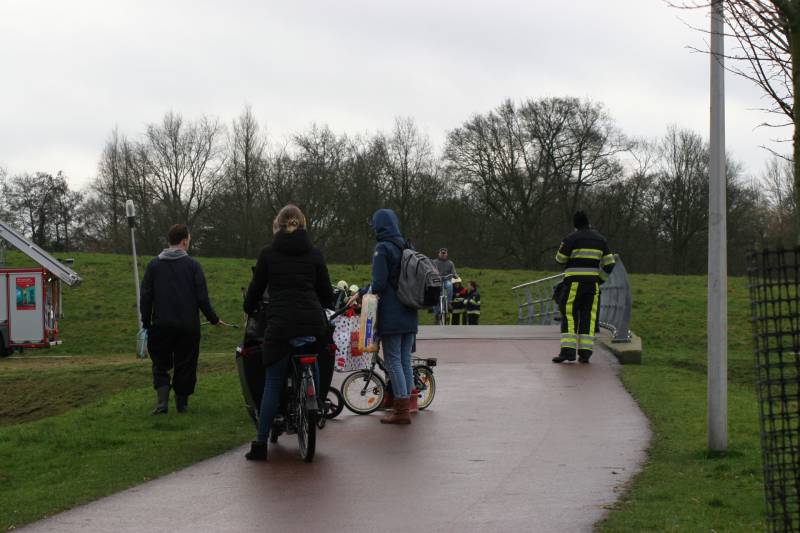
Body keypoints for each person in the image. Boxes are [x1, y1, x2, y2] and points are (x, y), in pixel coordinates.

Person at [242, 204, 333, 461]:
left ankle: (260, 445)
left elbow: (256, 290)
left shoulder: (268, 254)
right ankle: (314, 401)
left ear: (277, 226)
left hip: (280, 326)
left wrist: (248, 307)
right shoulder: (315, 253)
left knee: (272, 382)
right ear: (303, 225)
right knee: (313, 356)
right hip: (312, 323)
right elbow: (326, 295)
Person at [140, 223, 221, 415]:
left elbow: (146, 297)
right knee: (186, 363)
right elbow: (202, 298)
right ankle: (182, 404)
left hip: (161, 324)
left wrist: (146, 322)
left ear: (170, 241)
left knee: (160, 362)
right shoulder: (193, 266)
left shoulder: (153, 266)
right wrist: (214, 319)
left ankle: (162, 403)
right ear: (185, 241)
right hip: (188, 326)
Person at [348, 208, 418, 424]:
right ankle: (409, 405)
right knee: (405, 360)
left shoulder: (383, 248)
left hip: (392, 313)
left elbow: (378, 284)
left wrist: (360, 293)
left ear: (378, 226)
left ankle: (401, 410)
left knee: (393, 361)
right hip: (410, 310)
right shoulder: (408, 246)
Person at [552, 211, 615, 364]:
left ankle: (568, 352)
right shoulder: (601, 240)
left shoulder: (571, 238)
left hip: (574, 283)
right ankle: (585, 353)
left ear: (575, 225)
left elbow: (559, 259)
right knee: (589, 316)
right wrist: (600, 280)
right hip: (592, 284)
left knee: (569, 314)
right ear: (588, 222)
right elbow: (610, 263)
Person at [432, 247, 458, 321]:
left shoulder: (450, 263)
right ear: (439, 253)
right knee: (435, 295)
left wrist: (455, 275)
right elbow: (430, 270)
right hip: (437, 280)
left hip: (446, 280)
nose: (443, 254)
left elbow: (454, 272)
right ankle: (436, 313)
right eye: (442, 253)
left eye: (444, 253)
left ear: (447, 254)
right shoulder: (434, 262)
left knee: (449, 285)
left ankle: (449, 303)